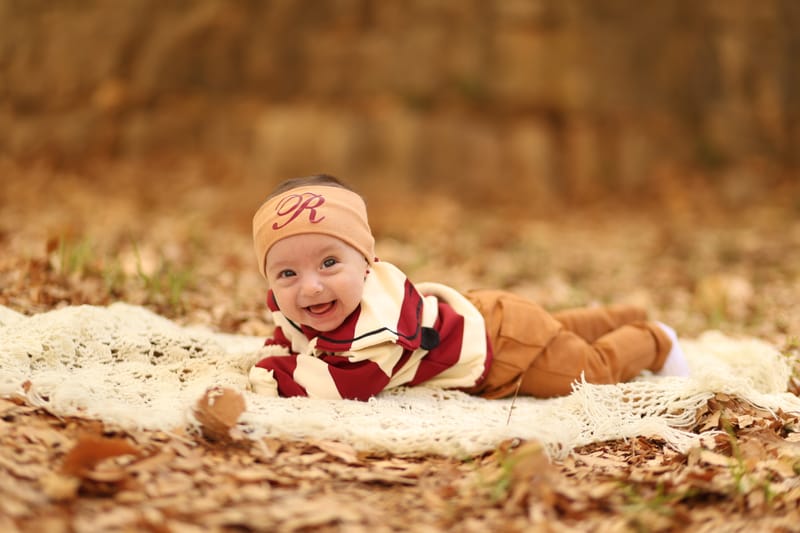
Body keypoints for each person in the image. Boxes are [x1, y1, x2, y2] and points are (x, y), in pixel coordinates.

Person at [249, 174, 690, 401]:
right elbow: (289, 332)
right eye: (287, 274)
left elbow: (342, 388)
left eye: (329, 263)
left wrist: (271, 373)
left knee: (587, 370)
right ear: (270, 280)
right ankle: (620, 315)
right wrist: (278, 347)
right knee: (555, 330)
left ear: (366, 264)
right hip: (485, 314)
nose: (309, 288)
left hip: (501, 351)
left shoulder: (377, 330)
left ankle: (653, 339)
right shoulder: (309, 303)